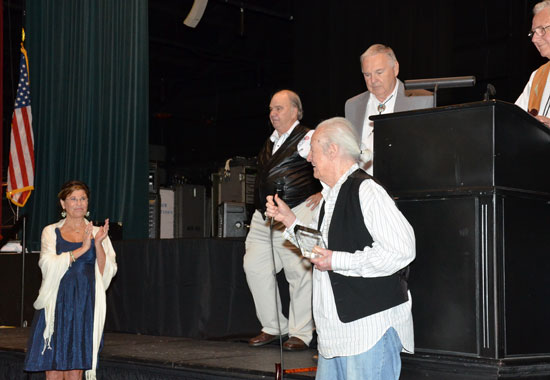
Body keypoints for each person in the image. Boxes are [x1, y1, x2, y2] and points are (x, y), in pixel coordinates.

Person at [266, 117, 415, 380]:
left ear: (333, 150)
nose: (309, 157)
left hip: (368, 332)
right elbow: (320, 253)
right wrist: (289, 221)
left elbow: (402, 250)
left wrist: (338, 261)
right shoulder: (329, 199)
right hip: (336, 338)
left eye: (313, 150)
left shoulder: (367, 190)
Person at [244, 89, 322, 351]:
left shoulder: (309, 136)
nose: (273, 114)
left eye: (279, 108)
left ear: (296, 111)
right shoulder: (271, 141)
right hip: (264, 216)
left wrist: (324, 191)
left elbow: (334, 160)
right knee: (254, 265)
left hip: (297, 211)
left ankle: (301, 332)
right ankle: (274, 326)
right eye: (271, 109)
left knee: (298, 271)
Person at [24, 180, 117, 380]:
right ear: (63, 204)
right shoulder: (51, 231)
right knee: (54, 367)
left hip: (84, 302)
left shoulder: (97, 232)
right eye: (73, 199)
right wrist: (82, 249)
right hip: (56, 302)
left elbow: (104, 271)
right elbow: (47, 263)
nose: (79, 203)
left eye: (83, 198)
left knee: (76, 369)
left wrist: (98, 244)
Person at [345, 44, 433, 174]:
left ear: (395, 68)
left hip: (402, 183)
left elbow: (426, 155)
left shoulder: (421, 100)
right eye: (367, 75)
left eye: (379, 72)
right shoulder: (352, 105)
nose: (373, 80)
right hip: (362, 188)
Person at [516, 1, 550, 127]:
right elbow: (514, 120)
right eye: (533, 33)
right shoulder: (538, 76)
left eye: (541, 30)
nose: (534, 39)